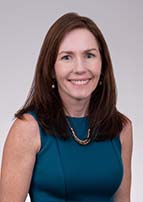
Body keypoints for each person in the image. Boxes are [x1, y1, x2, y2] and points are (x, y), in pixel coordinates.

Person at [0, 12, 132, 202]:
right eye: (66, 57)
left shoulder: (122, 128)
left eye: (89, 55)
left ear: (102, 65)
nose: (80, 68)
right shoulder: (27, 129)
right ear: (51, 69)